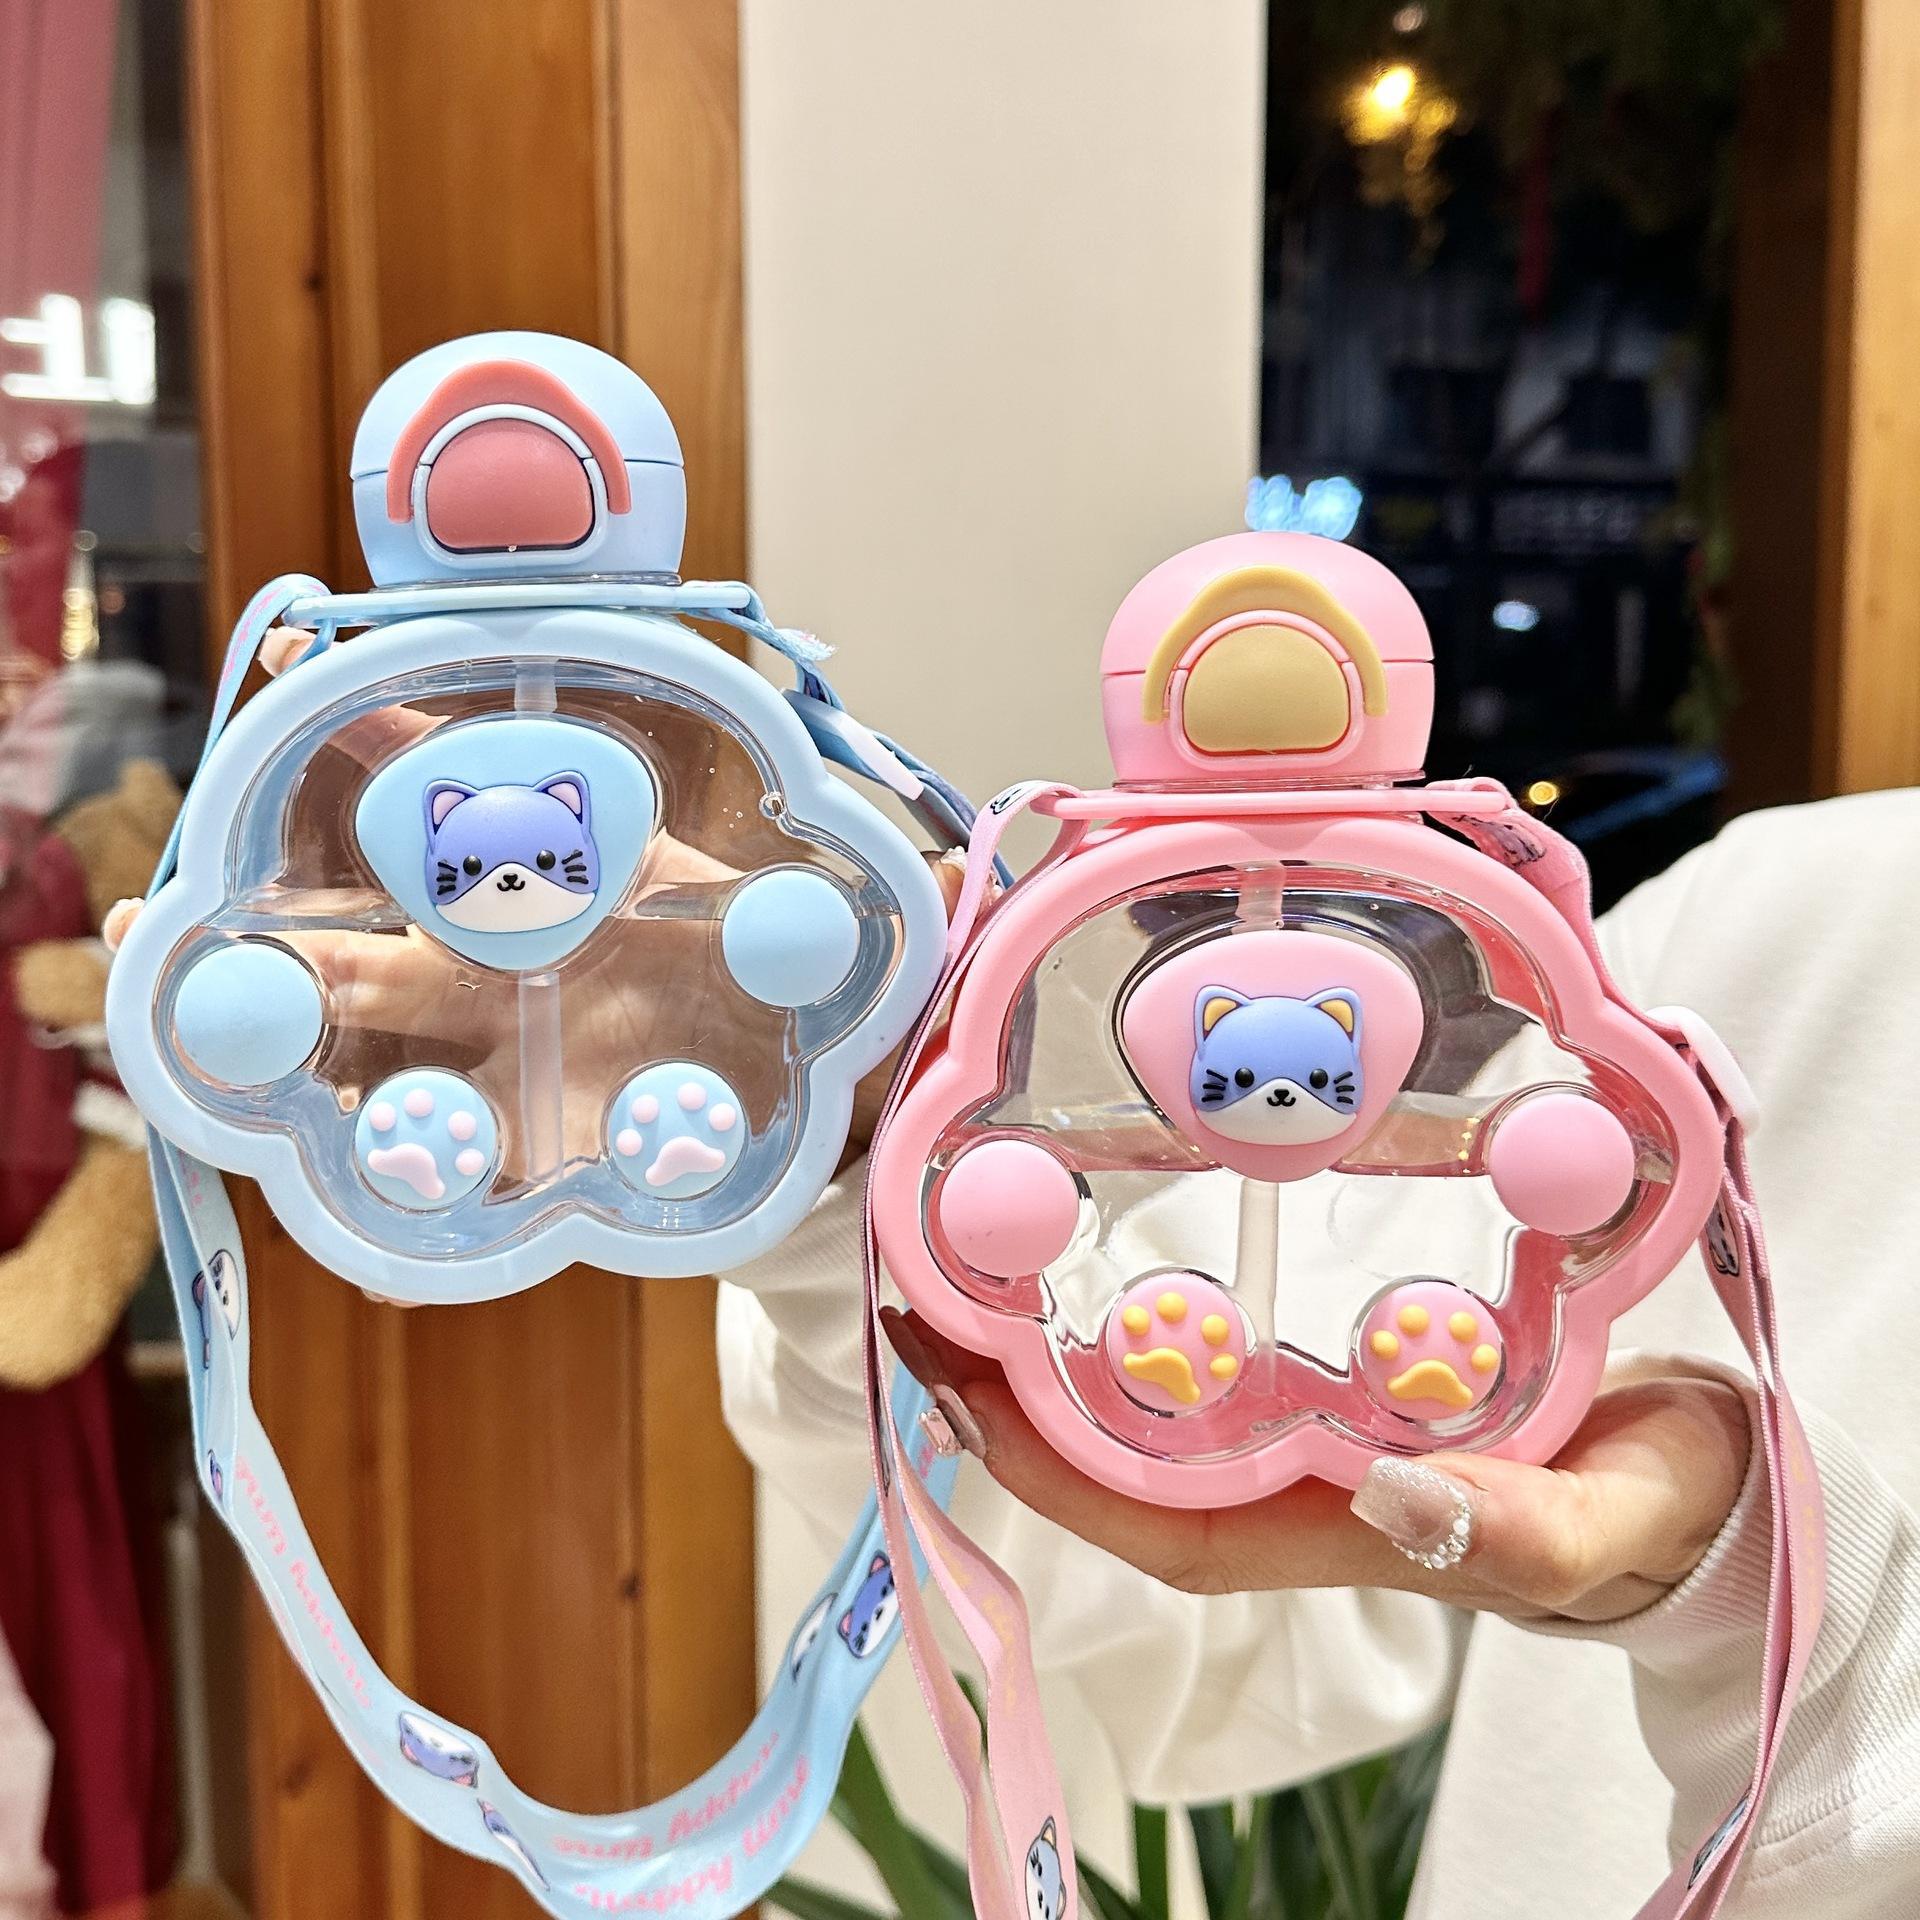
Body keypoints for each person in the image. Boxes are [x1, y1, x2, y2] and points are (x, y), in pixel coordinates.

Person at [718, 787, 1920, 1919]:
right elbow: (1263, 1600)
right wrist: (859, 1167)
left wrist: (1765, 1584)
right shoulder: (1793, 916)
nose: (1282, 1106)